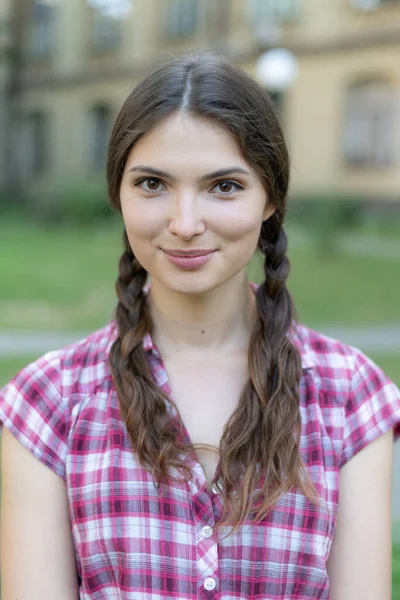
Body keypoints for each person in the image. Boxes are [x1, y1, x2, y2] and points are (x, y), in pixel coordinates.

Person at [1, 51, 399, 600]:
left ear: (270, 199)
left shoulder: (350, 395)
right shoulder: (47, 402)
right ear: (118, 192)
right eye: (152, 184)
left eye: (225, 186)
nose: (185, 224)